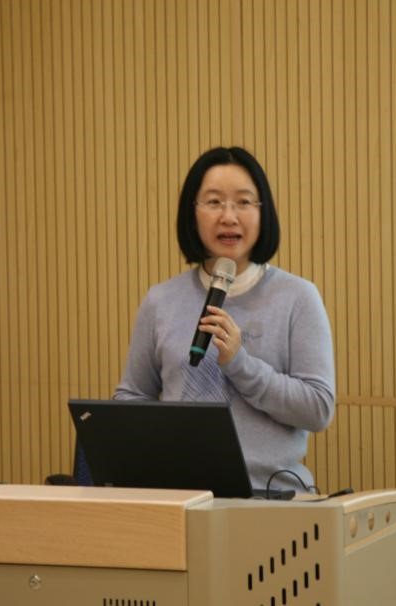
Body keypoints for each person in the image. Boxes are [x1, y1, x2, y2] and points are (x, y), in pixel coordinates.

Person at [113, 146, 335, 492]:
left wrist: (239, 363)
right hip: (180, 496)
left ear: (263, 213)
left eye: (243, 202)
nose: (228, 217)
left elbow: (318, 409)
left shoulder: (298, 297)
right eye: (214, 202)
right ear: (192, 213)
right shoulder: (160, 300)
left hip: (269, 498)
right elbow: (131, 397)